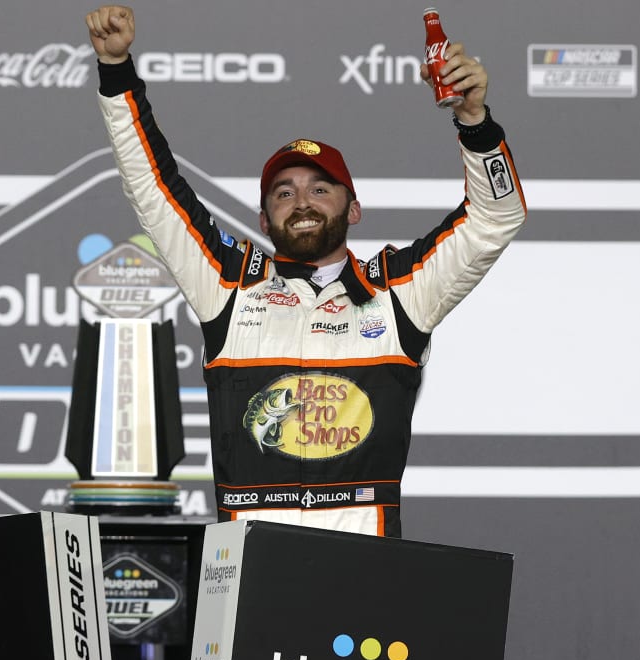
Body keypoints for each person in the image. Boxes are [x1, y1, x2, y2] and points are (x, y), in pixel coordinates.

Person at [85, 5, 525, 538]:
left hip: (363, 566)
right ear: (264, 218)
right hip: (246, 566)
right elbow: (153, 187)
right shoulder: (228, 283)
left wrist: (474, 120)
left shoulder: (400, 292)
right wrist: (117, 72)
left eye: (320, 188)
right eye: (284, 192)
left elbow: (495, 215)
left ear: (353, 209)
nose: (303, 202)